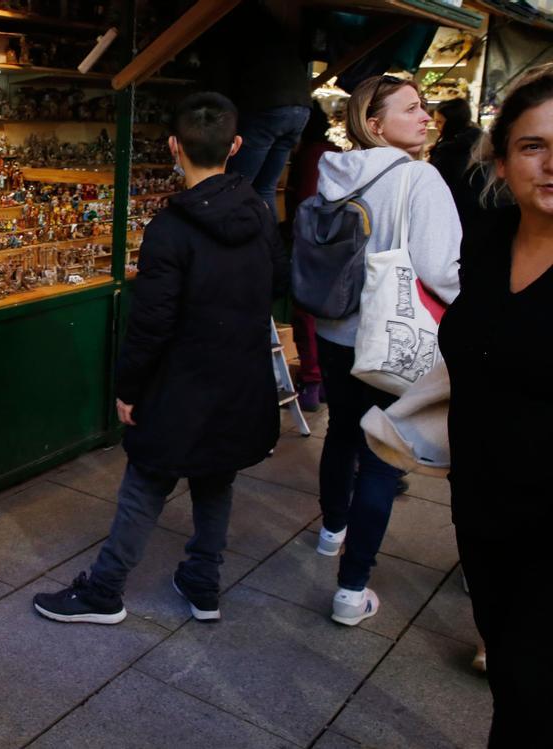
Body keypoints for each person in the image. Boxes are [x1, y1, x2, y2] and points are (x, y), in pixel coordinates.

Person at [31, 93, 287, 624]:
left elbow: (151, 322)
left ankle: (104, 591)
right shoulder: (259, 211)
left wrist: (129, 388)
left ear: (173, 146)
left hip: (182, 383)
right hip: (239, 378)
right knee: (216, 479)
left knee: (145, 482)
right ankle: (203, 582)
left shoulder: (171, 227)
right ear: (236, 146)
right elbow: (277, 282)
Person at [310, 75, 461, 626]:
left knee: (341, 433)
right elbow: (444, 269)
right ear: (374, 124)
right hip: (390, 339)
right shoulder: (419, 178)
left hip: (333, 330)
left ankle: (331, 533)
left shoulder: (334, 172)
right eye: (413, 109)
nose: (426, 117)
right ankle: (352, 592)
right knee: (379, 458)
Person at [438, 63, 553, 746]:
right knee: (511, 673)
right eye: (534, 145)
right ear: (502, 160)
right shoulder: (484, 247)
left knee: (534, 692)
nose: (550, 163)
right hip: (482, 505)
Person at [212, 0, 312, 221]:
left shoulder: (223, 18)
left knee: (236, 187)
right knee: (265, 188)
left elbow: (220, 77)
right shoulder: (269, 19)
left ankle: (232, 249)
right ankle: (267, 248)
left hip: (267, 105)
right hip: (299, 106)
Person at [285, 101, 342, 411]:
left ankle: (312, 381)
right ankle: (321, 383)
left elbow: (307, 203)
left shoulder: (311, 156)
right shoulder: (333, 152)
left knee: (305, 313)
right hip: (335, 247)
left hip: (312, 246)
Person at [428, 97, 481, 192]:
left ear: (453, 123)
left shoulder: (447, 151)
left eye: (439, 122)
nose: (435, 126)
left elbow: (435, 185)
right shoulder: (479, 142)